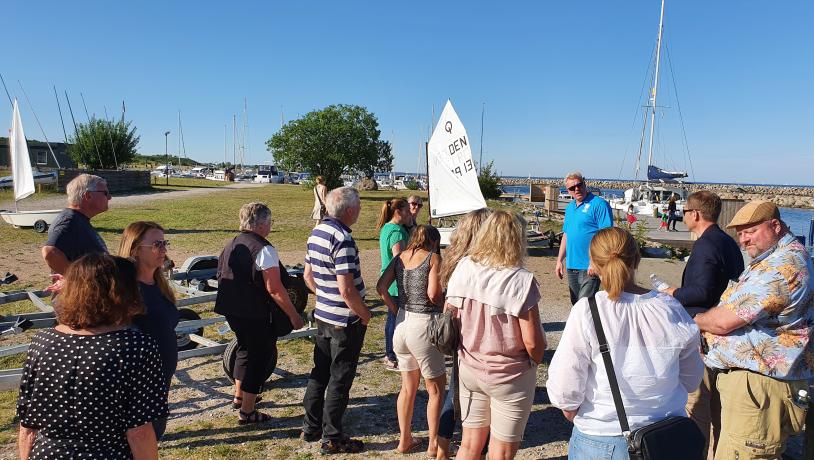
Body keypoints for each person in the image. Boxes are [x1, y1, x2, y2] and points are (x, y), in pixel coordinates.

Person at [547, 227, 704, 460]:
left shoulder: (588, 310)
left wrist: (573, 411)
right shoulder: (671, 308)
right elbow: (691, 380)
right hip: (664, 437)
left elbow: (564, 387)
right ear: (637, 258)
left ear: (593, 265)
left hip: (602, 438)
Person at [693, 200, 814, 459]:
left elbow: (723, 321)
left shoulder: (782, 266)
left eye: (751, 231)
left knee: (743, 452)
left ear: (775, 226)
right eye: (740, 234)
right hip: (757, 384)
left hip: (760, 387)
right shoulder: (774, 257)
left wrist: (697, 320)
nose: (744, 240)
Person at [16, 254, 167, 459]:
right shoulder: (135, 347)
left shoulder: (42, 342)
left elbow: (28, 426)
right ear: (123, 293)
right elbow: (139, 432)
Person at [446, 210, 546, 460]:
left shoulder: (464, 267)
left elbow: (452, 316)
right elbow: (532, 341)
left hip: (470, 365)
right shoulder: (521, 280)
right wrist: (535, 359)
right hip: (510, 373)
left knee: (469, 445)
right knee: (500, 452)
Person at [657, 191, 744, 458]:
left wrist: (672, 292)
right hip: (724, 329)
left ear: (695, 214)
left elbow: (702, 292)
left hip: (705, 330)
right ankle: (715, 449)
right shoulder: (727, 242)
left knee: (698, 399)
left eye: (684, 211)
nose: (682, 216)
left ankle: (696, 451)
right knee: (716, 403)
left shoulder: (707, 245)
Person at [214, 203, 304, 425]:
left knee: (244, 349)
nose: (270, 226)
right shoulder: (264, 249)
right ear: (263, 223)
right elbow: (274, 288)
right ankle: (247, 412)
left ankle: (239, 395)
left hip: (232, 309)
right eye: (270, 222)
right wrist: (293, 315)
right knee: (259, 357)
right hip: (254, 313)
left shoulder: (231, 243)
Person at [301, 187, 370, 455]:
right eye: (360, 206)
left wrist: (325, 296)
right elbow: (347, 289)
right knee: (340, 377)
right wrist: (364, 314)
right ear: (350, 210)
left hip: (324, 314)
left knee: (320, 371)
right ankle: (333, 437)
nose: (360, 211)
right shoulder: (342, 238)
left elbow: (308, 276)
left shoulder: (317, 232)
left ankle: (311, 426)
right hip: (344, 319)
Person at [377, 225, 445, 456]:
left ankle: (404, 440)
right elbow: (434, 294)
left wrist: (395, 309)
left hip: (402, 325)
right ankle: (434, 445)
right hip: (424, 325)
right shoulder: (433, 258)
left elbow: (381, 287)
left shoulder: (399, 259)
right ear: (433, 241)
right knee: (435, 390)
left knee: (407, 389)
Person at [436, 208, 492, 460]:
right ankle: (475, 449)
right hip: (477, 340)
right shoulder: (478, 263)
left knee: (454, 390)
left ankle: (441, 448)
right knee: (476, 400)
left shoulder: (454, 258)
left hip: (459, 336)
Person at [118, 221, 180, 440]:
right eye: (156, 244)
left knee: (155, 435)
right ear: (135, 249)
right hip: (137, 385)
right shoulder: (123, 290)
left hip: (160, 378)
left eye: (164, 243)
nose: (163, 249)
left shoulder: (158, 283)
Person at [555, 172, 613, 305]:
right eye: (572, 188)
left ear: (584, 183)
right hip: (572, 266)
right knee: (576, 305)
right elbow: (566, 234)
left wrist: (595, 262)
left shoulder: (599, 204)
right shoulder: (570, 208)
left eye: (579, 185)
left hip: (590, 266)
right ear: (568, 191)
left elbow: (606, 236)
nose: (576, 189)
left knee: (584, 305)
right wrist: (559, 261)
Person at [41, 174, 110, 275]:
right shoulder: (70, 221)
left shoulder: (78, 219)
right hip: (81, 290)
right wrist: (74, 280)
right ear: (88, 196)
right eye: (105, 193)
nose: (109, 197)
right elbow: (50, 252)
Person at [377, 198, 411, 370]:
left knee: (391, 319)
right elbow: (399, 259)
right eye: (407, 210)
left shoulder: (386, 228)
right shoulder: (397, 232)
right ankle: (391, 356)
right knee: (395, 320)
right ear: (399, 211)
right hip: (395, 284)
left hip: (387, 280)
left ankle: (389, 353)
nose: (410, 213)